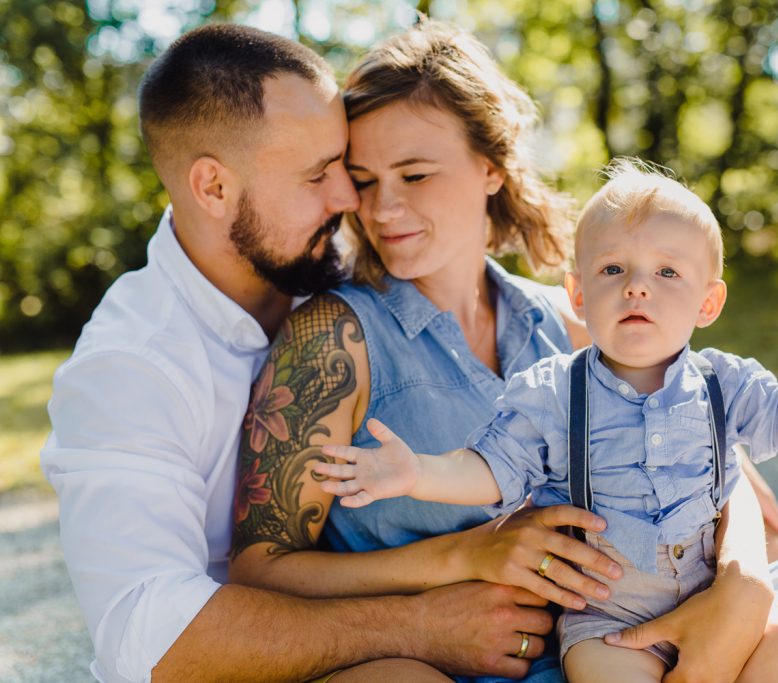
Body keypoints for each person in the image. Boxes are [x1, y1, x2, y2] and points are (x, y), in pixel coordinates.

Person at [227, 19, 778, 683]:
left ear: (490, 168)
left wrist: (743, 586)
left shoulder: (569, 315)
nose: (383, 208)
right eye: (364, 180)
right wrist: (457, 561)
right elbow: (261, 566)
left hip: (684, 591)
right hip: (543, 645)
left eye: (415, 173)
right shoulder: (335, 338)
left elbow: (719, 459)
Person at [311, 158, 778, 682]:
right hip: (609, 621)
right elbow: (488, 469)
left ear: (708, 302)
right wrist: (416, 472)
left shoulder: (724, 383)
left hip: (715, 593)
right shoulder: (553, 390)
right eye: (613, 269)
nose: (637, 286)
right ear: (578, 294)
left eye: (666, 271)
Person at [40, 23, 564, 683]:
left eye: (344, 166)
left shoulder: (325, 256)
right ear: (214, 188)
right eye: (320, 174)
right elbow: (150, 641)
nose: (354, 202)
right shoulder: (130, 367)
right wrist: (421, 622)